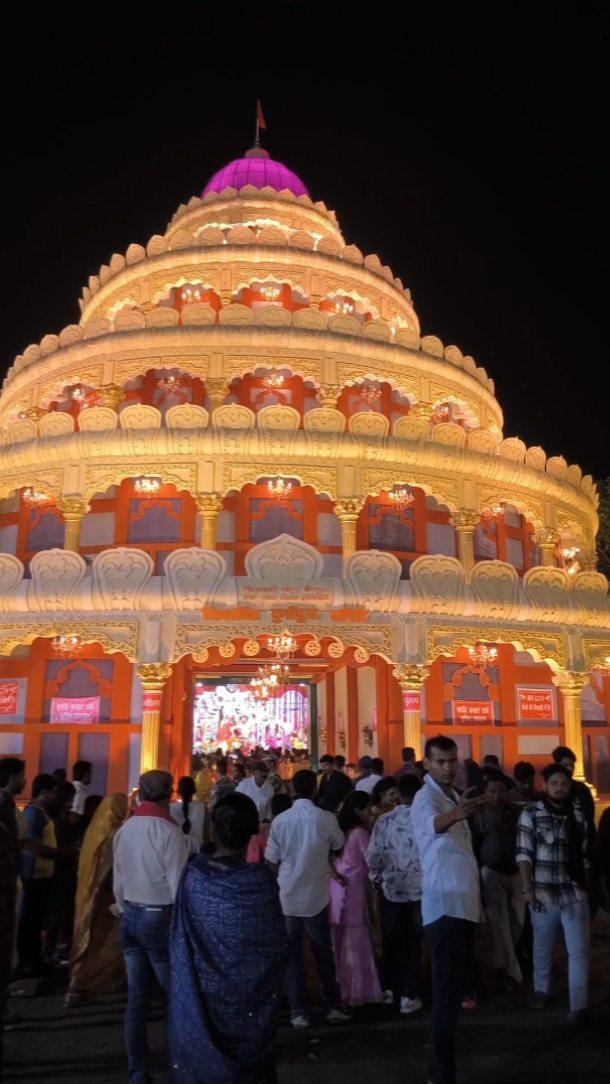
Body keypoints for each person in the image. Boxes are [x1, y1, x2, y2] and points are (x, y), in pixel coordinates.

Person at [168, 793, 289, 1083]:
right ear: (252, 833)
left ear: (213, 829)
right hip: (253, 996)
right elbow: (277, 944)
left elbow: (181, 936)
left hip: (204, 992)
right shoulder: (259, 881)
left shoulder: (194, 875)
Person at [411, 736, 484, 1084]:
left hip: (462, 906)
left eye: (452, 760)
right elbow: (433, 824)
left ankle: (441, 1071)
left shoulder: (451, 795)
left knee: (451, 999)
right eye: (440, 761)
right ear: (427, 763)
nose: (447, 767)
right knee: (444, 999)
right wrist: (457, 814)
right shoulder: (425, 798)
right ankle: (440, 1075)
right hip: (446, 908)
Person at [113, 770, 188, 1084]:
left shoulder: (125, 829)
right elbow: (178, 887)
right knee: (176, 996)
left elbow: (117, 880)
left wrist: (122, 907)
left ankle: (138, 1071)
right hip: (159, 917)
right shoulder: (169, 833)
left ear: (142, 794)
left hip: (129, 913)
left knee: (137, 999)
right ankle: (183, 1063)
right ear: (169, 794)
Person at [265, 769, 351, 1028]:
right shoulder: (324, 818)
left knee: (291, 954)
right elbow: (338, 845)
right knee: (323, 951)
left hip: (288, 894)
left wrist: (282, 876)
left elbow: (271, 860)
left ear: (292, 790)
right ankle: (333, 1005)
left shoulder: (281, 821)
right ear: (314, 790)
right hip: (316, 894)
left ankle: (298, 1010)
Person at [517, 762, 590, 1023]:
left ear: (570, 787)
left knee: (579, 951)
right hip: (543, 893)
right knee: (542, 945)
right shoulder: (531, 814)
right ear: (544, 785)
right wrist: (527, 889)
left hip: (574, 893)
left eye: (564, 784)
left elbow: (584, 855)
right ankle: (541, 990)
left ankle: (579, 1005)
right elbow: (524, 855)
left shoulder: (578, 815)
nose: (560, 788)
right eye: (555, 783)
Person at [366, 774, 423, 1013]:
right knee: (413, 944)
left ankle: (388, 989)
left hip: (390, 889)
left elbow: (373, 856)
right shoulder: (427, 820)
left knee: (390, 942)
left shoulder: (384, 821)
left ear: (398, 794)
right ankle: (409, 995)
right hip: (420, 891)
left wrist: (376, 877)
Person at [65, 793, 128, 1007]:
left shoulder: (94, 832)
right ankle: (92, 983)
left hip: (88, 894)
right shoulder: (116, 833)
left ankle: (81, 982)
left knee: (89, 938)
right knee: (105, 941)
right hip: (106, 896)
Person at [470, 769, 524, 988]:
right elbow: (474, 845)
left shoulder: (515, 812)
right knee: (500, 923)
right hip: (491, 872)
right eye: (492, 791)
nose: (496, 796)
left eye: (500, 791)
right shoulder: (478, 814)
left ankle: (499, 963)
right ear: (485, 792)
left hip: (516, 871)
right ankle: (511, 972)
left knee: (518, 921)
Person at [329, 791, 381, 1006]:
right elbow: (373, 860)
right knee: (356, 943)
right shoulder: (360, 832)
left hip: (336, 889)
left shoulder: (340, 831)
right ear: (358, 810)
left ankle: (340, 990)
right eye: (368, 809)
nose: (371, 813)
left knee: (339, 944)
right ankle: (359, 991)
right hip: (354, 891)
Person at [17, 774, 60, 977]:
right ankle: (28, 961)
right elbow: (32, 845)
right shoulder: (33, 814)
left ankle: (35, 959)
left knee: (36, 919)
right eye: (52, 793)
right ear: (43, 792)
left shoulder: (40, 812)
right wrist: (58, 854)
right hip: (34, 874)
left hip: (43, 873)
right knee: (30, 920)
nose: (54, 797)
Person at [551, 746, 596, 837]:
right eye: (566, 765)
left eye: (572, 765)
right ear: (557, 765)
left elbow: (589, 818)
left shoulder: (582, 789)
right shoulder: (551, 789)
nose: (570, 769)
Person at [247, 793, 291, 864]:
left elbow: (253, 861)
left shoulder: (260, 831)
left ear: (271, 810)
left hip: (266, 871)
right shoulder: (296, 830)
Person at [170, 776, 206, 856]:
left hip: (177, 850)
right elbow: (207, 832)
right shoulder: (202, 807)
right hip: (198, 850)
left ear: (178, 791)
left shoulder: (171, 808)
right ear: (194, 790)